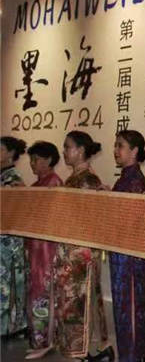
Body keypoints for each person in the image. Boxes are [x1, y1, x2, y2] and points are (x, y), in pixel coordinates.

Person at [55, 131, 113, 360]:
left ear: (80, 150)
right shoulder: (75, 178)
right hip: (72, 251)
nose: (64, 151)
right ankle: (91, 351)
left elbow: (90, 220)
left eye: (67, 146)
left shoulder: (88, 180)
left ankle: (85, 352)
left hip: (81, 253)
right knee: (74, 302)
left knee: (80, 302)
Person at [110, 130, 145, 362]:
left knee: (130, 308)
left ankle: (133, 357)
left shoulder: (134, 180)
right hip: (121, 255)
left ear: (134, 151)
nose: (116, 150)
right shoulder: (125, 178)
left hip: (129, 258)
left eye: (121, 146)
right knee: (123, 308)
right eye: (115, 145)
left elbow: (131, 222)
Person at [24, 141, 63, 359]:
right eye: (31, 159)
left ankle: (47, 341)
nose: (32, 163)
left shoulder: (54, 183)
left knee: (44, 293)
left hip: (47, 249)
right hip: (35, 248)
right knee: (35, 292)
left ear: (48, 160)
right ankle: (39, 340)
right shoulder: (37, 185)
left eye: (36, 159)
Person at [0, 136, 27, 339]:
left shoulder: (13, 178)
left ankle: (9, 327)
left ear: (10, 153)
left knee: (6, 284)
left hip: (8, 240)